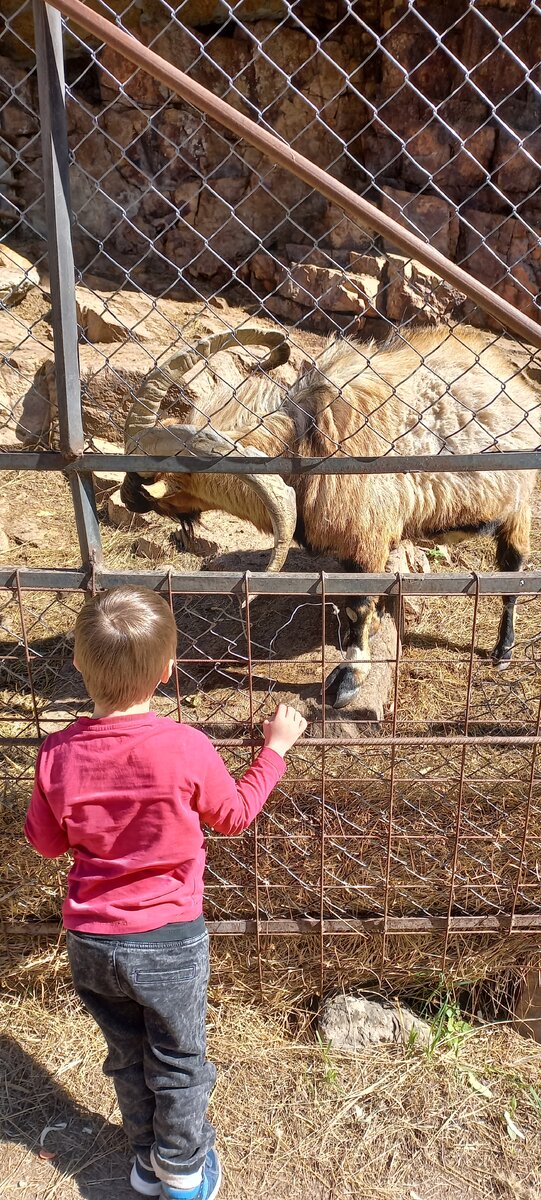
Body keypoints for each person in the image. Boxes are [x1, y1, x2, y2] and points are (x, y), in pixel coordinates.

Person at [24, 586, 307, 1200]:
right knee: (178, 1059)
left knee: (128, 1056)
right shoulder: (185, 747)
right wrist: (274, 751)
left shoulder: (57, 753)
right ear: (168, 671)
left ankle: (145, 1162)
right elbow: (233, 815)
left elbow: (45, 843)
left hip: (92, 941)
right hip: (169, 940)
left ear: (77, 663)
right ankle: (181, 1169)